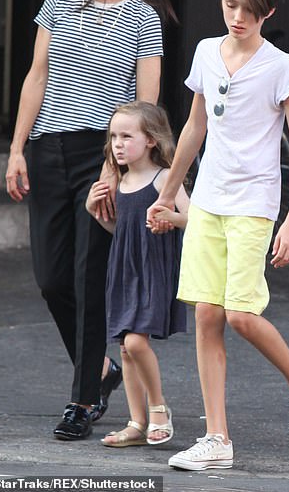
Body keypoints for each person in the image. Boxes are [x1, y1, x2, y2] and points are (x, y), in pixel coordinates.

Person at [146, 0, 289, 471]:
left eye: (249, 9)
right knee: (206, 314)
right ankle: (218, 440)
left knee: (241, 316)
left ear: (267, 10)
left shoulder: (280, 66)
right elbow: (194, 128)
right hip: (208, 199)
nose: (238, 17)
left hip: (254, 204)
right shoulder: (206, 52)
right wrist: (170, 189)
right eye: (230, 5)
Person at [5, 0, 176, 441]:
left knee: (86, 275)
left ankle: (82, 400)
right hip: (47, 151)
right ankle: (102, 371)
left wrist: (114, 166)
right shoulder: (59, 0)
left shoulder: (145, 17)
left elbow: (146, 106)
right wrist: (16, 149)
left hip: (105, 155)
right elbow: (37, 78)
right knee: (51, 278)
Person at [86, 101, 189, 448]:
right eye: (113, 136)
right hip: (124, 270)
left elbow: (193, 219)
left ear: (151, 140)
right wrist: (93, 211)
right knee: (127, 350)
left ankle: (158, 410)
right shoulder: (121, 179)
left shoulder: (164, 179)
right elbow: (122, 230)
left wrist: (169, 218)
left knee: (134, 341)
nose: (117, 143)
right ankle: (137, 422)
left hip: (153, 270)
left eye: (127, 136)